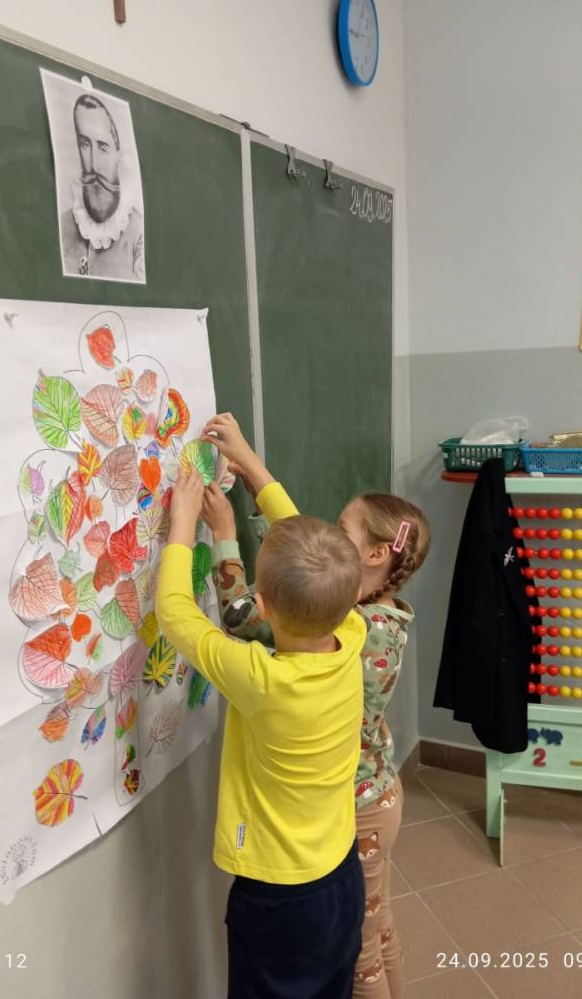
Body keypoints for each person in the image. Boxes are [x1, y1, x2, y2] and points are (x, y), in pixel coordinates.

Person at [201, 417, 430, 999]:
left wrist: (224, 536)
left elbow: (242, 619)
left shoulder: (353, 629)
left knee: (361, 958)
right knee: (378, 928)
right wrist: (252, 467)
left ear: (373, 554)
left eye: (340, 531)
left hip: (359, 808)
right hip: (377, 792)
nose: (327, 535)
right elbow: (303, 543)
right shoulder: (379, 615)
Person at [155, 428, 367, 999]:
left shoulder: (263, 679)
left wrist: (182, 523)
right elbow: (315, 556)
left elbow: (175, 613)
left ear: (263, 606)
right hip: (341, 876)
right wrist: (253, 467)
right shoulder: (352, 631)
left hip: (278, 895)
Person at [60, 93, 144, 281]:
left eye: (103, 147)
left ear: (118, 154)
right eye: (85, 145)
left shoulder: (139, 233)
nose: (93, 164)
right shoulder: (62, 226)